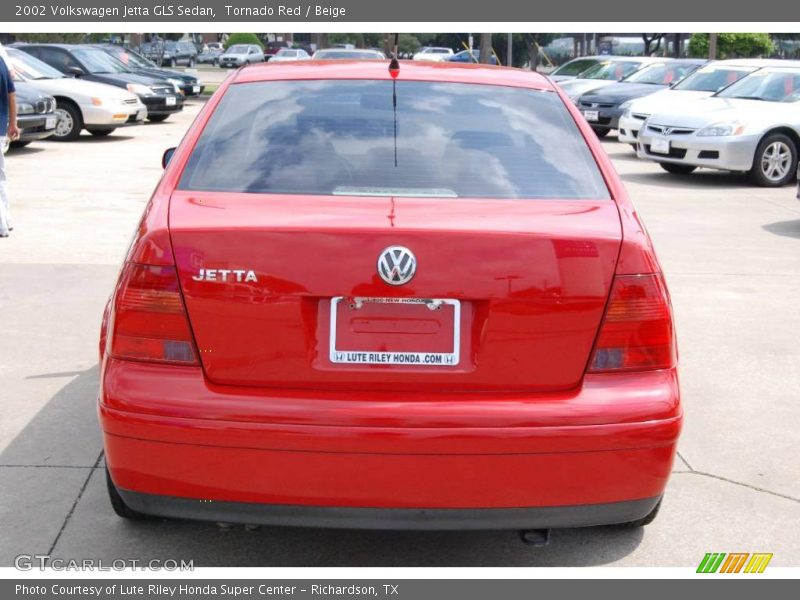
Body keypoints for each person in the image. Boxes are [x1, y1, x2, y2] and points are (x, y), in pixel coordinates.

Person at [0, 48, 18, 238]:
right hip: (1, 129)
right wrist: (13, 123)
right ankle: (6, 220)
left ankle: (2, 226)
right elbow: (12, 94)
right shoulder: (2, 63)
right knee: (1, 178)